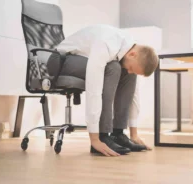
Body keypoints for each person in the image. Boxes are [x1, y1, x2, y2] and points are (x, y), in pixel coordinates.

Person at [56, 24, 159, 156]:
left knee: (125, 72)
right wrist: (95, 139)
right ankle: (103, 135)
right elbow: (94, 89)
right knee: (113, 68)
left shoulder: (128, 48)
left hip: (81, 59)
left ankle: (118, 134)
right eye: (132, 67)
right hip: (60, 61)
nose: (130, 70)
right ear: (133, 54)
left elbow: (134, 95)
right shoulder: (106, 44)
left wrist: (134, 133)